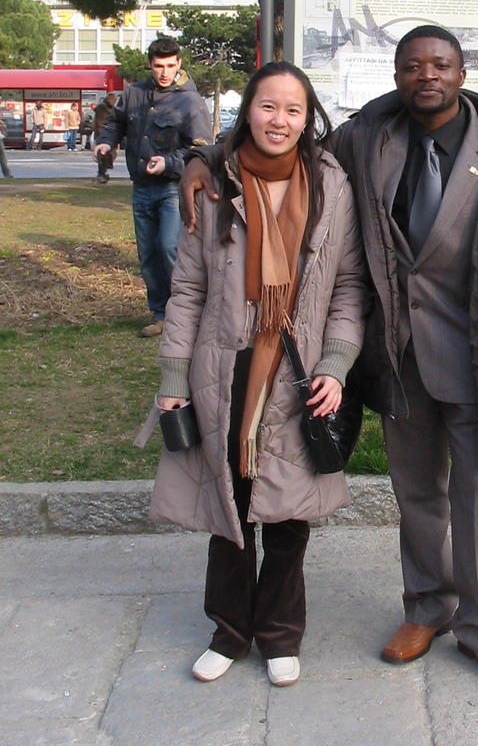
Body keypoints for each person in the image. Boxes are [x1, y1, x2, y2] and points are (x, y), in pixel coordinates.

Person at [181, 25, 478, 688]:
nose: (427, 76)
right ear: (396, 75)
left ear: (462, 71)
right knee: (417, 494)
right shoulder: (365, 141)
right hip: (397, 358)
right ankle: (426, 608)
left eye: (440, 64)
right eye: (412, 66)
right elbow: (278, 139)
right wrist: (203, 155)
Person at [143, 61, 364, 689]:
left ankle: (279, 633)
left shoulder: (330, 182)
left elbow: (349, 286)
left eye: (294, 110)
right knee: (229, 502)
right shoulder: (213, 181)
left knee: (290, 510)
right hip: (227, 363)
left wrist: (337, 364)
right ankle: (229, 631)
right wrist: (173, 375)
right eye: (268, 107)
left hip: (300, 368)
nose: (280, 121)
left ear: (308, 117)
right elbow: (186, 288)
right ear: (248, 111)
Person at [94, 36, 213, 337]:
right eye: (159, 66)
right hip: (141, 187)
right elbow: (114, 122)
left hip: (174, 188)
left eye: (171, 65)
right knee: (148, 254)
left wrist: (168, 163)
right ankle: (159, 313)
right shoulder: (134, 93)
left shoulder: (191, 101)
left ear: (179, 64)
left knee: (168, 248)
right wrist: (105, 142)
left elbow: (203, 151)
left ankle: (184, 313)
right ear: (150, 64)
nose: (165, 72)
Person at [93, 93, 118, 184]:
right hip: (103, 134)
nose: (115, 102)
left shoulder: (110, 109)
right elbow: (100, 123)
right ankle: (101, 174)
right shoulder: (102, 109)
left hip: (108, 134)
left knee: (110, 155)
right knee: (103, 154)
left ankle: (103, 173)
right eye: (114, 100)